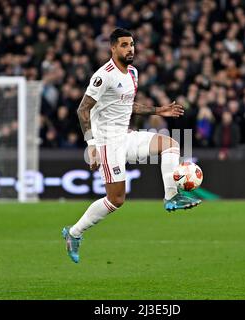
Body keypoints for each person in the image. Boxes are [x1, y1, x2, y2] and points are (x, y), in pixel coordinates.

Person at [62, 28, 201, 263]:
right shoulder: (103, 75)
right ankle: (74, 233)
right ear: (113, 48)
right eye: (124, 45)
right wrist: (92, 145)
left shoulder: (133, 73)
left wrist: (159, 110)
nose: (130, 49)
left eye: (132, 44)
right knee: (116, 200)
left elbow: (128, 105)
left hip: (126, 136)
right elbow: (82, 109)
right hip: (107, 143)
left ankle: (171, 197)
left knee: (170, 145)